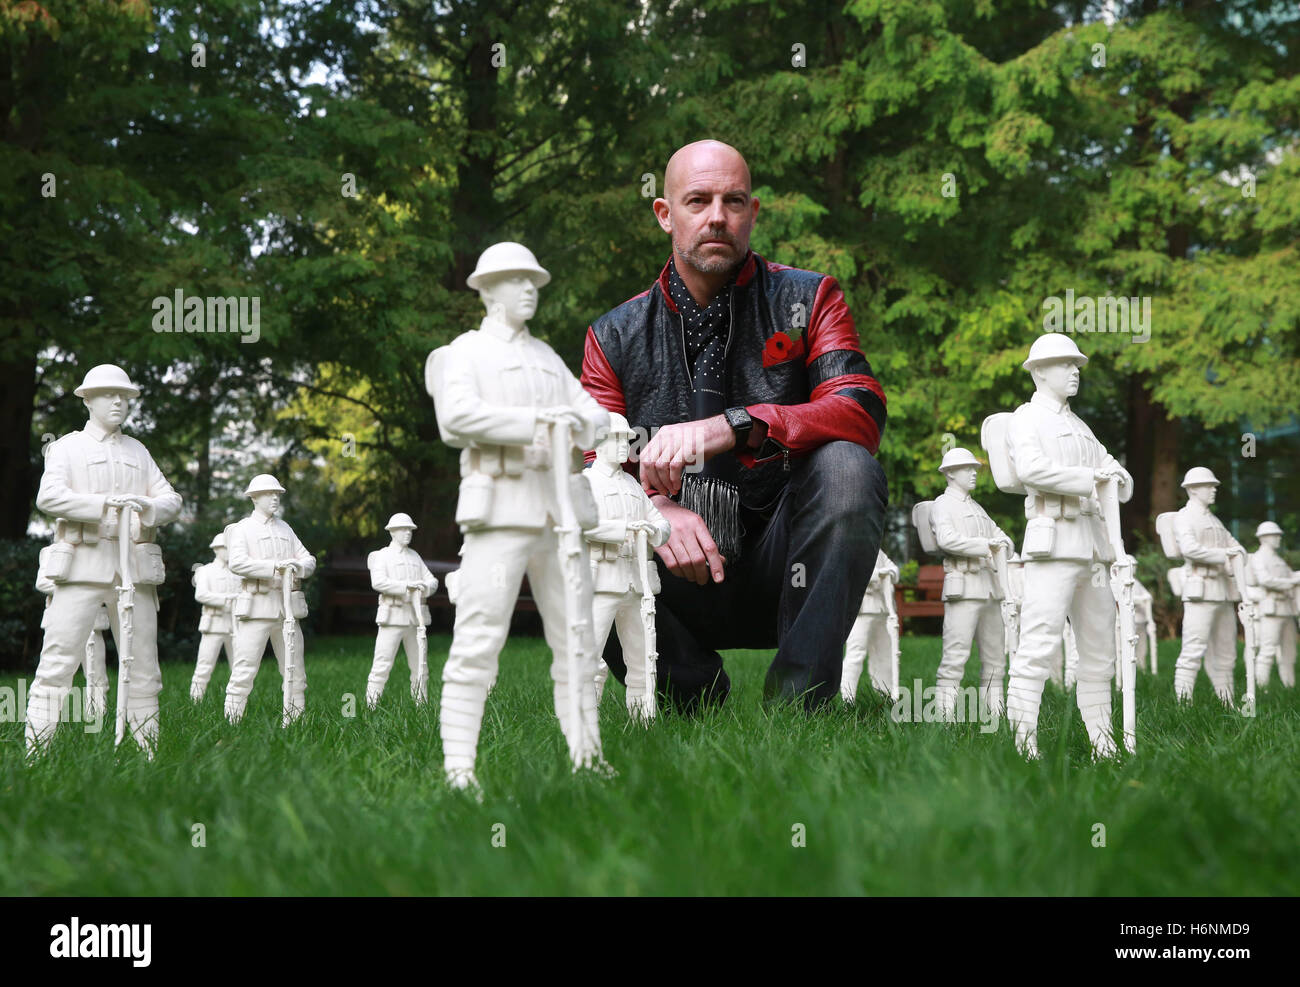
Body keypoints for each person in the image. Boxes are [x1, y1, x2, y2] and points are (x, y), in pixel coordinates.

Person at [580, 140, 888, 711]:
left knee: (850, 467)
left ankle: (800, 704)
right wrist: (655, 509)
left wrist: (739, 423)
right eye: (697, 200)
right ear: (665, 214)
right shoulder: (614, 335)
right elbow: (587, 467)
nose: (717, 216)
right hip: (670, 579)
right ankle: (686, 693)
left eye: (734, 200)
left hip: (785, 561)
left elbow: (861, 409)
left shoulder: (809, 297)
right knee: (565, 518)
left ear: (753, 212)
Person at [427, 241, 612, 792]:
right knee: (478, 639)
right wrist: (540, 421)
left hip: (559, 514)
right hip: (502, 508)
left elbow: (594, 417)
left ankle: (587, 756)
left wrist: (576, 425)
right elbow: (456, 418)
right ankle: (460, 766)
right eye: (515, 280)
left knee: (577, 640)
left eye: (533, 280)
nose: (530, 288)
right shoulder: (465, 352)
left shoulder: (548, 357)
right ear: (487, 290)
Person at [26, 364, 182, 756]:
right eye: (109, 395)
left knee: (144, 667)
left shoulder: (138, 451)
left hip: (133, 569)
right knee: (58, 663)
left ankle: (148, 753)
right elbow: (49, 497)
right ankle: (36, 753)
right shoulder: (66, 448)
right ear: (88, 400)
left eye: (124, 396)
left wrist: (146, 506)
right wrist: (101, 506)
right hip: (82, 564)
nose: (118, 402)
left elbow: (171, 500)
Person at [992, 333, 1132, 759]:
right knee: (1037, 646)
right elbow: (1032, 470)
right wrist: (1093, 478)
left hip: (1094, 546)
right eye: (1064, 364)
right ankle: (1023, 744)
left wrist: (1114, 478)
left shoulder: (1081, 426)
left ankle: (1103, 743)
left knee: (1099, 651)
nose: (1074, 371)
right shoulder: (1026, 418)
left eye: (1076, 364)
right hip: (1053, 543)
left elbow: (1119, 484)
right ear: (1038, 371)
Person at [583, 413, 671, 720]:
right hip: (601, 581)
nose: (624, 446)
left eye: (626, 440)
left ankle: (644, 721)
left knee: (644, 659)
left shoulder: (633, 484)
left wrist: (655, 531)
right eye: (616, 439)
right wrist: (626, 529)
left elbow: (659, 521)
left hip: (636, 582)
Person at [926, 448, 1015, 720]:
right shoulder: (943, 504)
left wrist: (1003, 544)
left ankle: (995, 715)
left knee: (996, 660)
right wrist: (986, 545)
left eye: (975, 468)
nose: (974, 473)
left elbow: (1002, 538)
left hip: (989, 587)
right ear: (950, 473)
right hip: (963, 587)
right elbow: (946, 539)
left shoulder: (977, 508)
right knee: (955, 658)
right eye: (968, 469)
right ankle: (944, 716)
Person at [223, 474, 316, 725]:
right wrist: (275, 566)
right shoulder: (242, 529)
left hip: (286, 610)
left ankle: (295, 721)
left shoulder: (286, 528)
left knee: (295, 670)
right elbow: (237, 562)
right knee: (244, 670)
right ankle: (233, 722)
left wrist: (297, 566)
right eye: (268, 493)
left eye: (277, 493)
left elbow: (308, 559)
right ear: (254, 498)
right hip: (257, 607)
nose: (274, 497)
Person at [1169, 468, 1244, 706]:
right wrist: (1225, 554)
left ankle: (1227, 703)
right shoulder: (1184, 517)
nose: (1213, 490)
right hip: (1200, 590)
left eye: (1214, 486)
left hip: (1222, 591)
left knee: (1226, 653)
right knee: (1193, 650)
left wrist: (1237, 554)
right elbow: (1189, 549)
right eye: (1208, 486)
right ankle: (1183, 706)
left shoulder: (1215, 520)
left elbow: (1236, 547)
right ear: (1192, 489)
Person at [365, 513, 438, 708]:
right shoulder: (382, 556)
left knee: (420, 667)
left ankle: (421, 706)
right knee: (382, 665)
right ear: (393, 532)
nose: (408, 533)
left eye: (410, 530)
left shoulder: (415, 557)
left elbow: (432, 580)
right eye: (404, 529)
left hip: (415, 619)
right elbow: (378, 582)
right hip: (392, 617)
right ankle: (371, 706)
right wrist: (407, 586)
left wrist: (424, 587)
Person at [35, 551, 110, 722]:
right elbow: (43, 582)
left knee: (96, 671)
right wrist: (78, 590)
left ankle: (97, 715)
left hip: (92, 623)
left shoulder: (99, 550)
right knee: (55, 670)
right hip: (61, 620)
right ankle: (51, 715)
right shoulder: (50, 552)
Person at [840, 549, 900, 703]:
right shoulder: (848, 548)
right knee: (856, 653)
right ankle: (848, 697)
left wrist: (887, 573)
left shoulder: (877, 551)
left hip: (882, 610)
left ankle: (886, 695)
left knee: (884, 654)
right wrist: (879, 574)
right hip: (861, 610)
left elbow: (894, 570)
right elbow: (853, 573)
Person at [190, 531, 240, 702]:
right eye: (226, 548)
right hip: (214, 624)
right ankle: (195, 701)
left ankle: (237, 702)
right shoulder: (206, 571)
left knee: (239, 668)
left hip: (234, 625)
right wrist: (227, 599)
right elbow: (201, 594)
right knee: (204, 666)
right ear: (217, 549)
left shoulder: (237, 572)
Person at [1248, 521, 1299, 689]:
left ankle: (1289, 686)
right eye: (1274, 535)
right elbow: (1265, 580)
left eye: (1278, 535)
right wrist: (1291, 582)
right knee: (1267, 650)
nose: (1278, 538)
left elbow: (1290, 575)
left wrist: (1294, 577)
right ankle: (1262, 689)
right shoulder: (1258, 558)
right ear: (1264, 538)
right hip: (1271, 608)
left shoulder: (1277, 559)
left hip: (1286, 609)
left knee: (1289, 652)